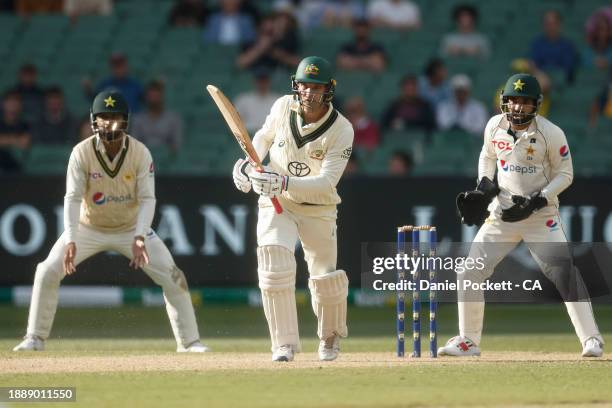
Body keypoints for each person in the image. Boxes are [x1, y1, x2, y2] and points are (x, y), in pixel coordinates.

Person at [13, 90, 208, 353]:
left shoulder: (140, 153)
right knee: (47, 270)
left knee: (174, 276)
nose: (109, 124)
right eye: (104, 118)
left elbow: (148, 199)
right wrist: (71, 238)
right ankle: (35, 338)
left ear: (125, 120)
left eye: (115, 117)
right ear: (94, 121)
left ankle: (190, 342)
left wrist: (139, 236)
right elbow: (71, 197)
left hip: (130, 228)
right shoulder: (81, 153)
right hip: (88, 227)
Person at [443, 73, 604, 358]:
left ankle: (592, 339)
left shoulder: (551, 133)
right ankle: (468, 340)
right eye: (513, 101)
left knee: (564, 273)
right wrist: (483, 185)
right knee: (469, 271)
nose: (518, 108)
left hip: (540, 216)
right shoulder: (494, 125)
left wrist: (538, 199)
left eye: (525, 102)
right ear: (504, 102)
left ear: (536, 105)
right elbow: (487, 156)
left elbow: (566, 174)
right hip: (503, 213)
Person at [231, 56, 354, 362]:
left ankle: (330, 338)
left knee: (324, 279)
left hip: (318, 208)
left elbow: (326, 182)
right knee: (273, 266)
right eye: (304, 85)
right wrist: (249, 165)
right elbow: (263, 136)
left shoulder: (342, 129)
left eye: (316, 87)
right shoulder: (283, 105)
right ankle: (283, 345)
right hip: (278, 204)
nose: (309, 92)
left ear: (328, 90)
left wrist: (281, 181)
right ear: (295, 85)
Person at [237, 11, 301, 73]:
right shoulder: (252, 38)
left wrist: (276, 53)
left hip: (279, 77)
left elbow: (299, 63)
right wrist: (260, 48)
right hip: (253, 76)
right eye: (277, 22)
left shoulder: (288, 41)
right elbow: (240, 64)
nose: (279, 28)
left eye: (284, 26)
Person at [131, 80, 183, 153]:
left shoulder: (173, 119)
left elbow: (177, 145)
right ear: (146, 98)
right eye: (151, 96)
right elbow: (134, 146)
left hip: (167, 160)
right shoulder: (137, 119)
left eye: (156, 96)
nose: (154, 100)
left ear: (162, 97)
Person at [529, 10, 578, 84]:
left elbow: (567, 70)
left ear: (560, 25)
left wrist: (548, 75)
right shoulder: (537, 44)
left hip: (560, 84)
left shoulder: (568, 46)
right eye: (547, 24)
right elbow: (533, 64)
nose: (550, 27)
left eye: (553, 24)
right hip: (538, 80)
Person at [234, 69, 281, 133]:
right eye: (259, 80)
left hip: (271, 136)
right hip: (248, 136)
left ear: (269, 81)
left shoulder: (278, 100)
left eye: (264, 80)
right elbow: (236, 124)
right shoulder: (243, 99)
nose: (262, 83)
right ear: (254, 81)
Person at [0, 91, 31, 173]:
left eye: (15, 103)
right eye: (9, 102)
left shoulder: (25, 125)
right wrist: (15, 140)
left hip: (16, 167)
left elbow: (24, 142)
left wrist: (4, 140)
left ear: (20, 106)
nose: (12, 106)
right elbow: (19, 141)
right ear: (3, 104)